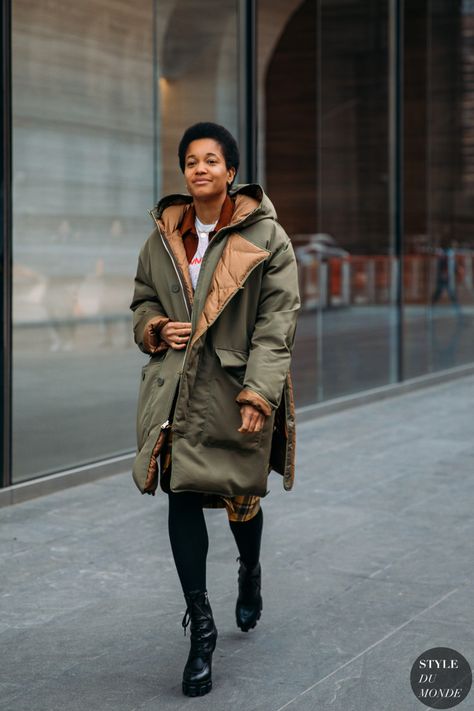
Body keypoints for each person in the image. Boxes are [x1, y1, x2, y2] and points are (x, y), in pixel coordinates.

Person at [130, 122, 300, 697]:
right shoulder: (162, 236)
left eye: (211, 160)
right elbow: (142, 298)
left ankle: (249, 573)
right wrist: (154, 327)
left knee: (240, 501)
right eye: (190, 161)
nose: (199, 168)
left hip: (232, 390)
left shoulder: (267, 236)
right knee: (181, 495)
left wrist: (260, 392)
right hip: (176, 391)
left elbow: (277, 322)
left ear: (230, 172)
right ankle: (201, 630)